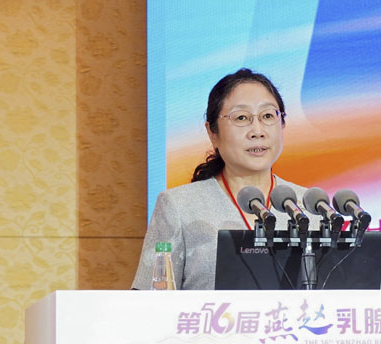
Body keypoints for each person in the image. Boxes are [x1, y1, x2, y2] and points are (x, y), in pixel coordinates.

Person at [131, 68, 318, 290]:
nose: (257, 131)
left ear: (282, 124)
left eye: (268, 116)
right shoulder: (179, 207)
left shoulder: (310, 206)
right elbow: (147, 299)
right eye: (241, 118)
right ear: (213, 133)